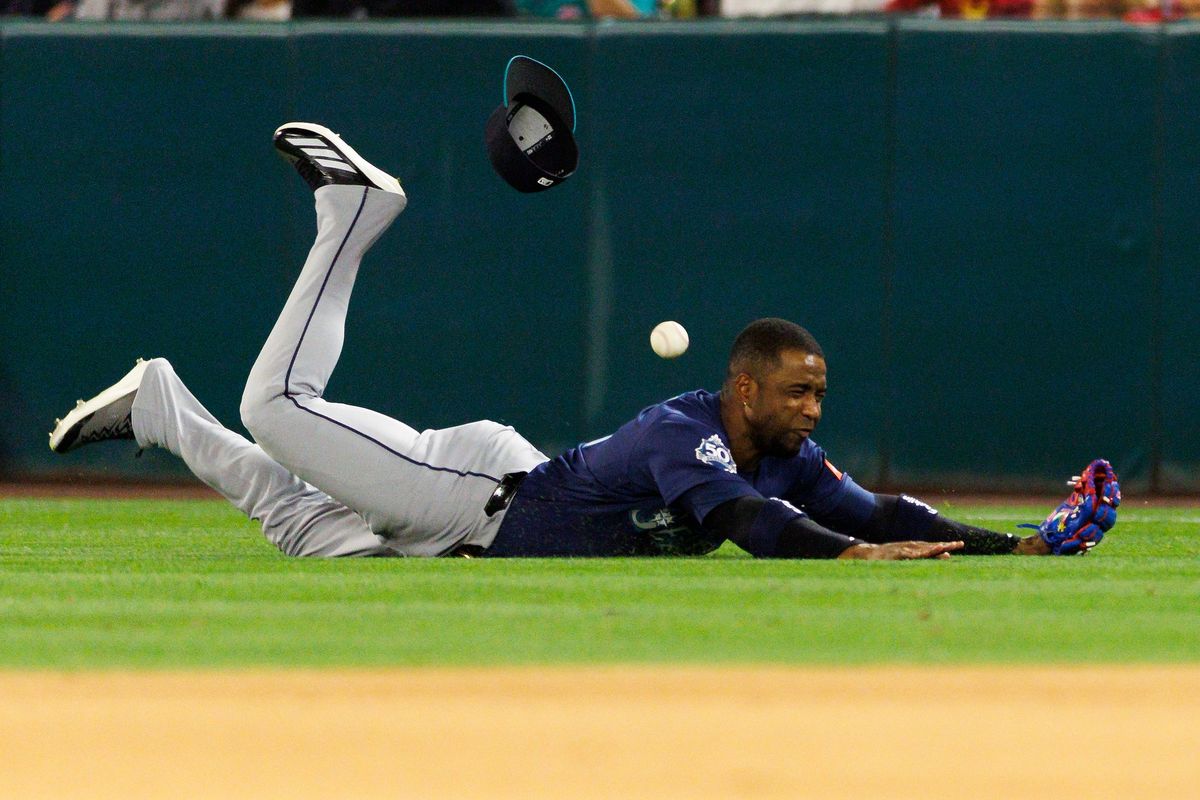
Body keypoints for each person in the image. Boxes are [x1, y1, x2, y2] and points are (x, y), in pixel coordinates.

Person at [48, 123, 1120, 560]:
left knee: (299, 528)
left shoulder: (781, 451)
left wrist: (1016, 540)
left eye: (816, 391)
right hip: (467, 492)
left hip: (474, 528)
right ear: (743, 388)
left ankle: (156, 404)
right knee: (277, 408)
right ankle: (353, 217)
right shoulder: (685, 429)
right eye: (795, 392)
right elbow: (752, 523)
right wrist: (856, 559)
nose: (810, 409)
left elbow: (876, 505)